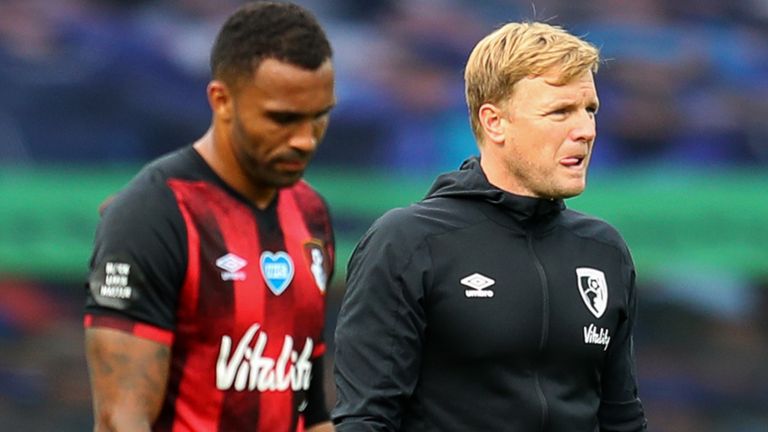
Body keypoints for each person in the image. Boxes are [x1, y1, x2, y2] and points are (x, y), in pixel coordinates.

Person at [332, 21, 648, 431]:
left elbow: (622, 418)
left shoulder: (604, 250)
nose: (586, 130)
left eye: (590, 110)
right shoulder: (409, 242)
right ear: (495, 121)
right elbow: (366, 419)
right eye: (560, 112)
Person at [83, 2, 337, 431]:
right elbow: (119, 419)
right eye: (282, 119)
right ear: (222, 100)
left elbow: (308, 410)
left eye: (320, 117)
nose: (304, 140)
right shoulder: (154, 214)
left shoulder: (310, 213)